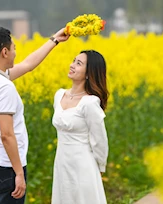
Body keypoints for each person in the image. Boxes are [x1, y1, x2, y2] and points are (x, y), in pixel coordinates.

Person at [0, 27, 69, 204]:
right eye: (14, 48)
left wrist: (54, 40)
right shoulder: (4, 87)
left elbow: (27, 65)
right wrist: (18, 173)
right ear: (4, 52)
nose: (15, 53)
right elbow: (6, 135)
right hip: (5, 167)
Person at [51, 50, 109, 204]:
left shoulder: (90, 103)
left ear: (89, 73)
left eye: (79, 63)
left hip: (83, 164)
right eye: (73, 60)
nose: (72, 65)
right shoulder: (59, 95)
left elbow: (100, 139)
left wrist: (100, 167)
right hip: (62, 162)